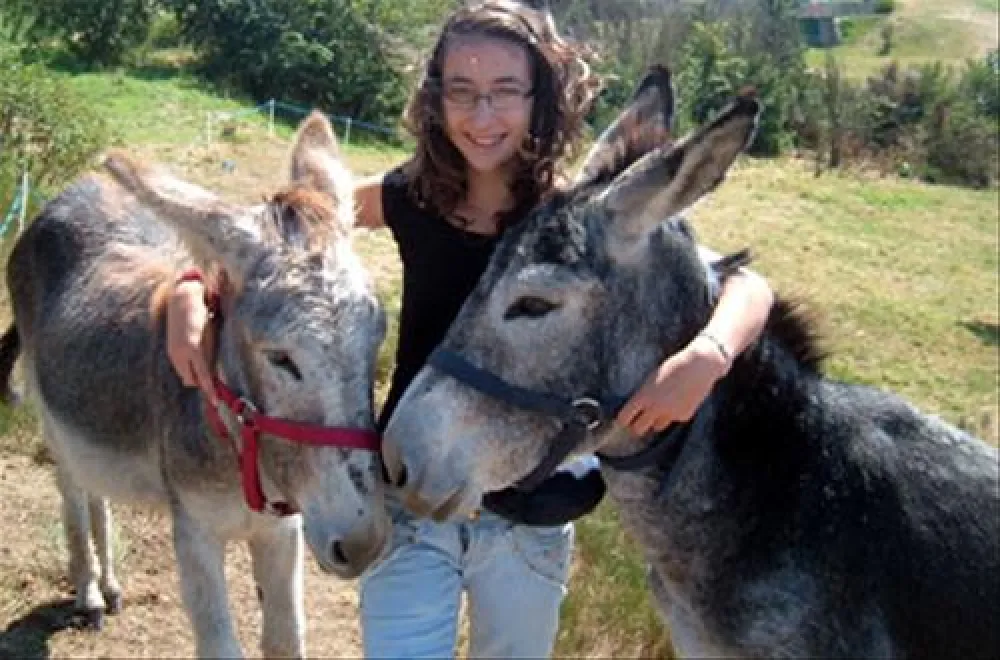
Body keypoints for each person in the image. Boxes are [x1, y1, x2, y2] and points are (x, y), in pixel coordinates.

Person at [163, 2, 775, 657]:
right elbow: (277, 238)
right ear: (436, 99)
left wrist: (708, 356)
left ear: (541, 95)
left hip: (531, 520)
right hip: (410, 493)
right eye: (462, 91)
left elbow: (744, 284)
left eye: (505, 91)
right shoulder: (408, 196)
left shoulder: (572, 218)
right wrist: (187, 289)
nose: (483, 116)